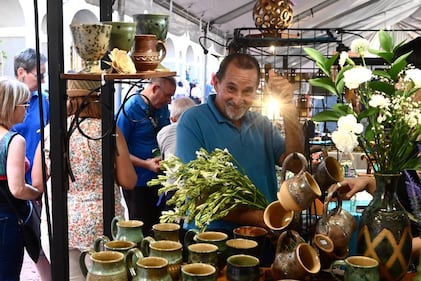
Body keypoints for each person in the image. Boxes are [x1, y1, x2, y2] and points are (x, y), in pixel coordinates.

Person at [175, 53, 304, 233]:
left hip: (262, 239)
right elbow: (198, 196)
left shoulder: (262, 124)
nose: (237, 100)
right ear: (216, 82)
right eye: (231, 88)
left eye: (247, 91)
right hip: (212, 242)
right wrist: (261, 217)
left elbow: (296, 164)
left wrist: (289, 108)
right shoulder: (193, 121)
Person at [31, 80, 137, 281]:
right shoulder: (109, 130)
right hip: (102, 224)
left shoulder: (53, 131)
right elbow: (128, 181)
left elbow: (37, 182)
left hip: (61, 223)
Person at [116, 76, 176, 235]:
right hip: (137, 182)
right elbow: (117, 151)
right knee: (141, 229)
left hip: (159, 180)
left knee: (159, 226)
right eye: (167, 95)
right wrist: (146, 164)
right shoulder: (130, 109)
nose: (169, 101)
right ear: (155, 89)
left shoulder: (161, 108)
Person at [12, 48, 51, 280]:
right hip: (12, 186)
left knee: (40, 242)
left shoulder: (44, 102)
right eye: (40, 74)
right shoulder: (5, 104)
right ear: (21, 72)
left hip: (38, 186)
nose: (43, 80)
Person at [0, 78, 43, 280]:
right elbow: (17, 188)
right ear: (10, 106)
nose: (27, 108)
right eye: (24, 104)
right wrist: (36, 192)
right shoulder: (14, 140)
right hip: (7, 219)